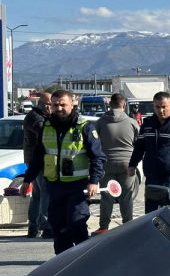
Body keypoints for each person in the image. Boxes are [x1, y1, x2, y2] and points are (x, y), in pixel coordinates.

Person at [21, 90, 106, 254]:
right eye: (55, 105)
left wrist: (94, 181)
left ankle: (83, 259)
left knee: (76, 222)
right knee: (58, 227)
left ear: (72, 104)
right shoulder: (46, 127)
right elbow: (37, 157)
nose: (58, 108)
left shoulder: (84, 127)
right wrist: (27, 179)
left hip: (78, 187)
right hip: (55, 187)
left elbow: (98, 157)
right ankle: (63, 263)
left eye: (63, 104)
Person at [129, 91, 170, 214]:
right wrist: (132, 164)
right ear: (153, 107)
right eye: (157, 107)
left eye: (164, 107)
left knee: (169, 211)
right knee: (150, 212)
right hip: (151, 174)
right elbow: (139, 147)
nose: (161, 110)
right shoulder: (147, 125)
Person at [93, 93, 140, 235]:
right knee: (126, 196)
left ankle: (103, 227)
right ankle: (128, 226)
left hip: (106, 164)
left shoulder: (100, 122)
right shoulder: (132, 122)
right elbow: (138, 143)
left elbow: (94, 143)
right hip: (127, 164)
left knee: (106, 196)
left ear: (109, 104)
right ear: (124, 105)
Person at [22, 92, 54, 239]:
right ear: (43, 105)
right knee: (44, 192)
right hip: (37, 160)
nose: (52, 107)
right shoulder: (35, 117)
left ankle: (34, 226)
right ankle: (44, 225)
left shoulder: (38, 116)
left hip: (38, 159)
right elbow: (45, 132)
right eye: (50, 104)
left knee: (37, 194)